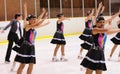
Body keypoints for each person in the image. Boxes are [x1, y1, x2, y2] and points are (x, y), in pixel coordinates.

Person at [14, 3, 49, 74]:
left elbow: (38, 23)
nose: (35, 20)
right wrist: (25, 8)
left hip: (32, 47)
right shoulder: (27, 26)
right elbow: (36, 23)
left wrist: (43, 15)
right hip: (25, 47)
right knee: (22, 65)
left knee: (31, 64)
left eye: (35, 19)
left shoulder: (33, 27)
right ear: (29, 20)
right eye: (33, 19)